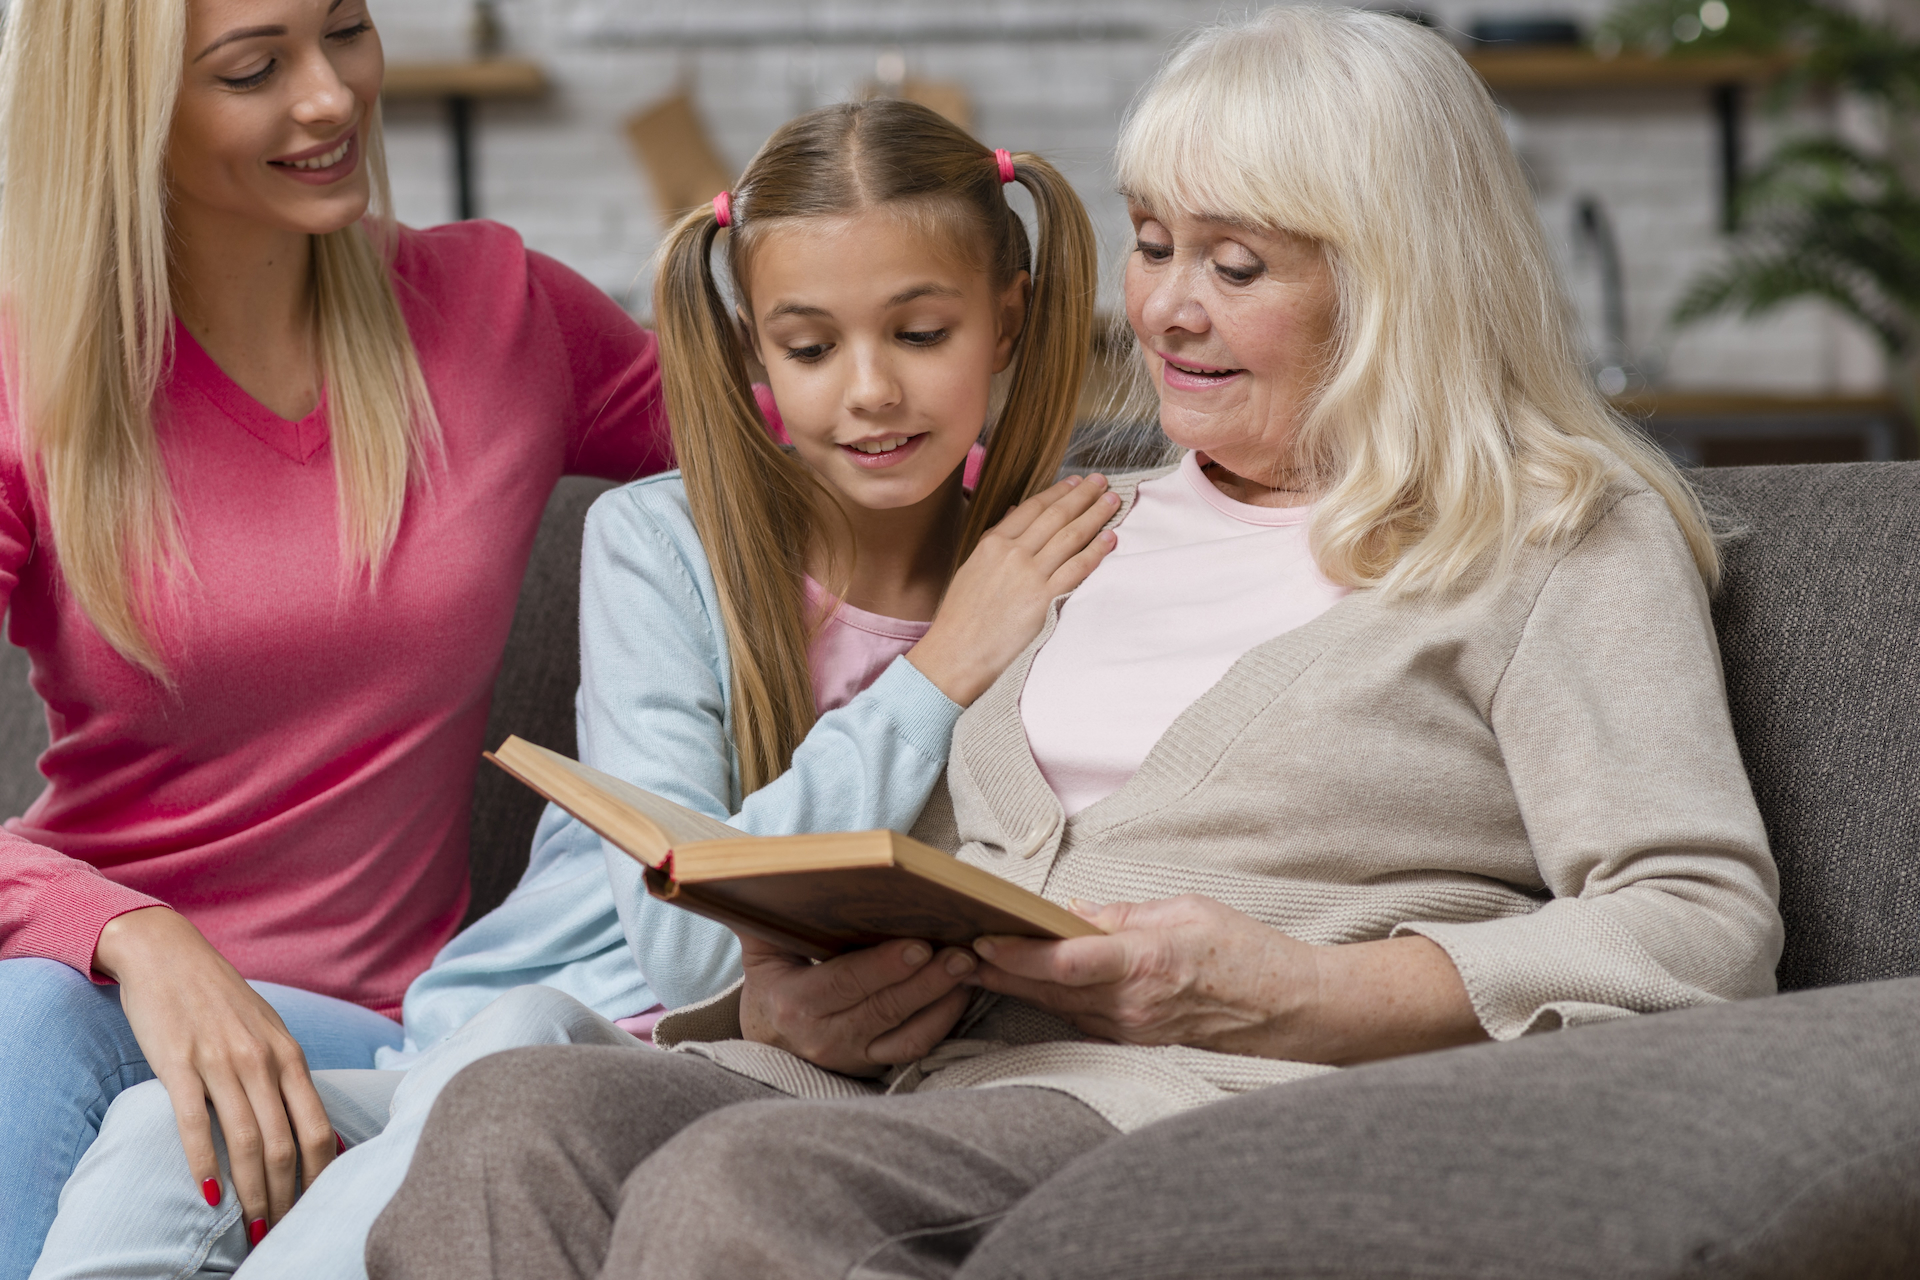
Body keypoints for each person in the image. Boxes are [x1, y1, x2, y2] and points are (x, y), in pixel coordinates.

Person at [365, 9, 1786, 1280]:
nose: (1166, 307)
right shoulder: (1073, 522)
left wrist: (1300, 991)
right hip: (914, 1081)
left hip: (1195, 1098)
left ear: (1402, 279)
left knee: (748, 1189)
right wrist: (795, 1001)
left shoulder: (1549, 541)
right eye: (1155, 244)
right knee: (513, 1119)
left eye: (1236, 265)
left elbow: (1699, 924)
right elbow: (920, 859)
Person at [30, 97, 1112, 1279]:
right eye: (809, 348)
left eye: (920, 334)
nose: (869, 391)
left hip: (638, 1061)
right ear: (755, 351)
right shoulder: (663, 541)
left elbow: (700, 985)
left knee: (524, 1049)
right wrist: (940, 666)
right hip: (477, 1023)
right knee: (156, 1129)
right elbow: (688, 935)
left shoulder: (1048, 572)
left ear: (1006, 322)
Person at [0, 0, 680, 1269]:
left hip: (377, 1031)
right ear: (129, 108)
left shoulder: (499, 313)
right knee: (29, 1008)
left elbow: (804, 452)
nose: (329, 97)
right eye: (255, 69)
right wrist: (134, 934)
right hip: (88, 1004)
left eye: (347, 31)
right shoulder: (24, 366)